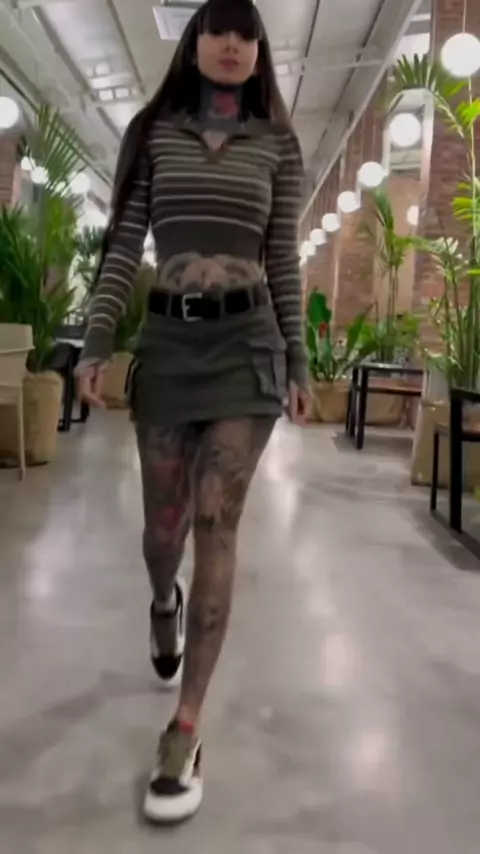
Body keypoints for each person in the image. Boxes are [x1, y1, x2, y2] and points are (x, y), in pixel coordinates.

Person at [77, 0, 309, 825]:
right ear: (195, 41)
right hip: (171, 351)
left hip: (248, 351)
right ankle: (161, 602)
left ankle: (184, 728)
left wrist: (300, 361)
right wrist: (96, 341)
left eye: (248, 35)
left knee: (216, 521)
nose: (233, 45)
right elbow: (122, 244)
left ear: (259, 52)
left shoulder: (278, 144)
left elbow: (283, 259)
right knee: (164, 530)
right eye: (220, 31)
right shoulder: (157, 136)